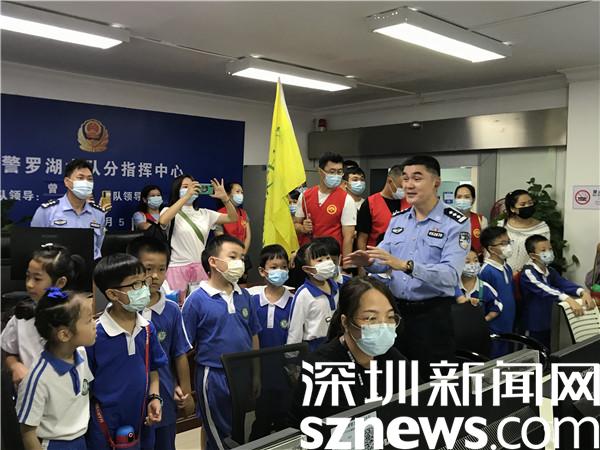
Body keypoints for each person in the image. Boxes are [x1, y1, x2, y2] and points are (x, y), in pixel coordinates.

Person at [344, 155, 470, 379]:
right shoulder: (399, 219)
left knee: (431, 383)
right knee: (393, 379)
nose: (409, 185)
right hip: (395, 315)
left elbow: (450, 275)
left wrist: (406, 266)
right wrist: (369, 261)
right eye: (405, 178)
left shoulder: (455, 222)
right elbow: (383, 258)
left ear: (436, 182)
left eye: (417, 178)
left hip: (432, 316)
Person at [290, 277, 408, 426]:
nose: (383, 326)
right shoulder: (323, 367)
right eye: (370, 318)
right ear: (345, 322)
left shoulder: (392, 358)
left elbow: (420, 402)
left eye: (390, 317)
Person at [182, 235, 260, 450]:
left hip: (243, 372)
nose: (239, 263)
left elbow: (254, 335)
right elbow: (184, 348)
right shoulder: (196, 300)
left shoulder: (244, 295)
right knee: (218, 433)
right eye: (233, 257)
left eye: (241, 258)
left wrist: (256, 374)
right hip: (214, 375)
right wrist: (185, 388)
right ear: (213, 261)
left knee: (241, 428)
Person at [87, 254, 168, 450]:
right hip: (104, 423)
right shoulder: (94, 335)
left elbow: (153, 370)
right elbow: (85, 385)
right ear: (113, 294)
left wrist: (154, 397)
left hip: (141, 418)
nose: (143, 289)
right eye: (134, 285)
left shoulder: (146, 328)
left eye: (143, 282)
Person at [126, 237, 194, 450]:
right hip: (131, 399)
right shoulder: (122, 309)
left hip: (164, 395)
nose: (155, 276)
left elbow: (180, 354)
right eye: (148, 269)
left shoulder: (172, 310)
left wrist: (187, 393)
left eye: (162, 269)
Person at [16, 288, 96, 450]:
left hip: (80, 440)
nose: (95, 324)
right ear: (64, 335)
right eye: (89, 320)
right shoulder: (38, 379)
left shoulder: (81, 354)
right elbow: (27, 432)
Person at [2, 244, 84, 385]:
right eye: (28, 277)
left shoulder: (75, 316)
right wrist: (15, 366)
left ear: (60, 282)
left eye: (37, 279)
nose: (29, 284)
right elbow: (9, 352)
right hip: (30, 388)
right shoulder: (22, 316)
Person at [159, 174, 237, 303]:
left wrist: (225, 199)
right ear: (177, 190)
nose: (190, 189)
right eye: (185, 187)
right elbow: (162, 221)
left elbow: (232, 218)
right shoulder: (169, 210)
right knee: (177, 305)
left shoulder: (206, 213)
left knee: (201, 304)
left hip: (200, 268)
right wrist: (186, 197)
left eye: (193, 186)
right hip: (176, 267)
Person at [246, 244, 293, 439]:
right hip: (260, 371)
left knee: (285, 418)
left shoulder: (293, 301)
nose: (279, 271)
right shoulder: (252, 300)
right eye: (274, 267)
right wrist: (254, 375)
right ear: (262, 271)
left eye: (283, 267)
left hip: (285, 373)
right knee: (262, 419)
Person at [520, 234, 597, 348]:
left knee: (546, 349)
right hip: (533, 323)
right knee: (534, 351)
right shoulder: (528, 272)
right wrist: (569, 300)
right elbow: (545, 289)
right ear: (532, 255)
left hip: (547, 320)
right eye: (543, 250)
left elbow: (564, 283)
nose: (549, 252)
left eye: (550, 249)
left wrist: (583, 292)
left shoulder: (550, 270)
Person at [30, 159, 107, 260]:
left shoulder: (98, 214)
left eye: (89, 179)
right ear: (67, 182)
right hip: (57, 267)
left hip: (89, 267)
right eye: (80, 178)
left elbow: (98, 247)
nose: (86, 182)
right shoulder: (47, 211)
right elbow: (35, 247)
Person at [294, 152, 357, 262]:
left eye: (339, 172)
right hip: (308, 257)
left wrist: (346, 264)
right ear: (320, 171)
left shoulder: (346, 200)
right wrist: (302, 228)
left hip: (330, 258)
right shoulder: (305, 196)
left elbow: (349, 237)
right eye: (332, 172)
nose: (336, 176)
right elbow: (295, 225)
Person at [287, 240, 340, 351]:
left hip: (334, 344)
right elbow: (295, 329)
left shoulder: (335, 287)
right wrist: (292, 355)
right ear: (307, 269)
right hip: (314, 348)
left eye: (327, 258)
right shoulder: (304, 294)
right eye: (320, 260)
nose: (326, 263)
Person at [479, 226, 517, 358]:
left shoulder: (507, 267)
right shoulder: (486, 271)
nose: (508, 246)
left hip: (508, 322)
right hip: (494, 325)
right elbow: (484, 301)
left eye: (508, 242)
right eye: (503, 243)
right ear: (491, 249)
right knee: (495, 358)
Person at [356, 164, 410, 251]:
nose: (403, 191)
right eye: (401, 187)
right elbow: (362, 238)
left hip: (402, 255)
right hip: (376, 255)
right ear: (389, 181)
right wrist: (363, 258)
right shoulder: (370, 203)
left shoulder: (410, 203)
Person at [501, 189, 550, 272]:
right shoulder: (503, 225)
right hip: (504, 273)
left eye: (530, 203)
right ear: (513, 209)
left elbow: (544, 255)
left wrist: (521, 272)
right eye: (522, 204)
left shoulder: (542, 228)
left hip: (530, 274)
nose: (527, 206)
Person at [215, 182, 251, 285]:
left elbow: (248, 236)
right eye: (237, 192)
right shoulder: (219, 214)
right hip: (227, 257)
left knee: (242, 285)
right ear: (228, 194)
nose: (240, 195)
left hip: (242, 256)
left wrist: (242, 254)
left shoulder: (243, 213)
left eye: (242, 192)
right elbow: (220, 238)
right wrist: (233, 255)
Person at [455, 249, 502, 325]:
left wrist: (484, 321)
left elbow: (497, 306)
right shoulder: (452, 288)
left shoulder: (486, 288)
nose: (472, 264)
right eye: (467, 262)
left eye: (476, 261)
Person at [453, 184, 488, 256]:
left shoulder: (481, 220)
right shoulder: (447, 219)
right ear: (455, 199)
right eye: (459, 197)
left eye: (467, 197)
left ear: (473, 200)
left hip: (475, 260)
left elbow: (485, 246)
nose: (462, 200)